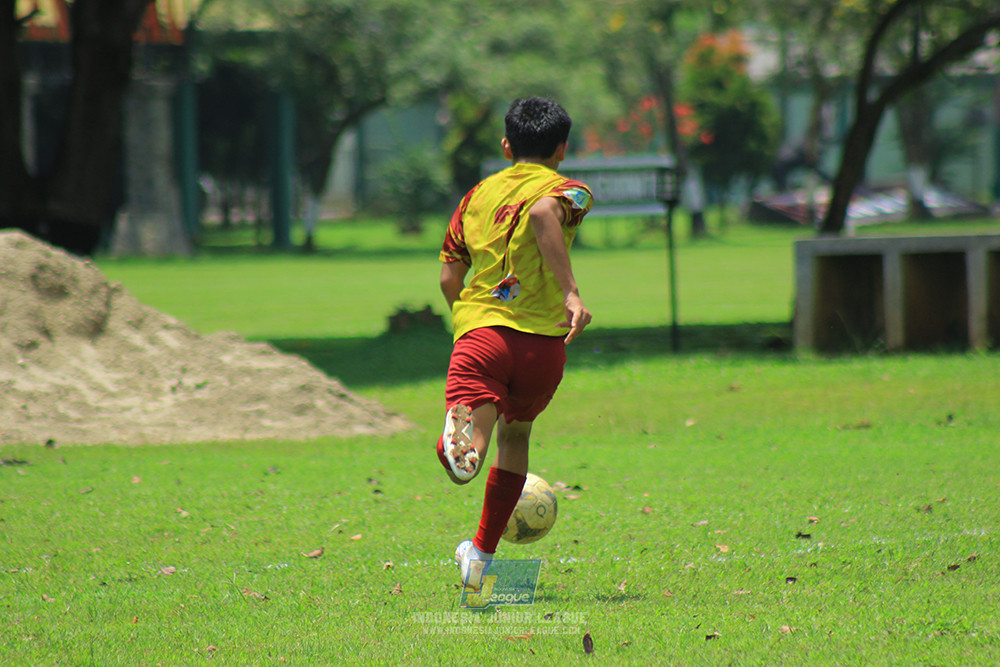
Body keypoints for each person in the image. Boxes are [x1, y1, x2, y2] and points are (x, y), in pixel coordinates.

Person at [436, 97, 594, 591]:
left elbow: (448, 277)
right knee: (517, 436)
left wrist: (469, 321)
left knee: (476, 442)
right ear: (562, 149)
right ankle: (479, 557)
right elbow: (548, 210)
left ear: (507, 145)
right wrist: (568, 292)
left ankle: (463, 451)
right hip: (543, 347)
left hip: (484, 335)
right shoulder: (574, 191)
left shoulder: (475, 196)